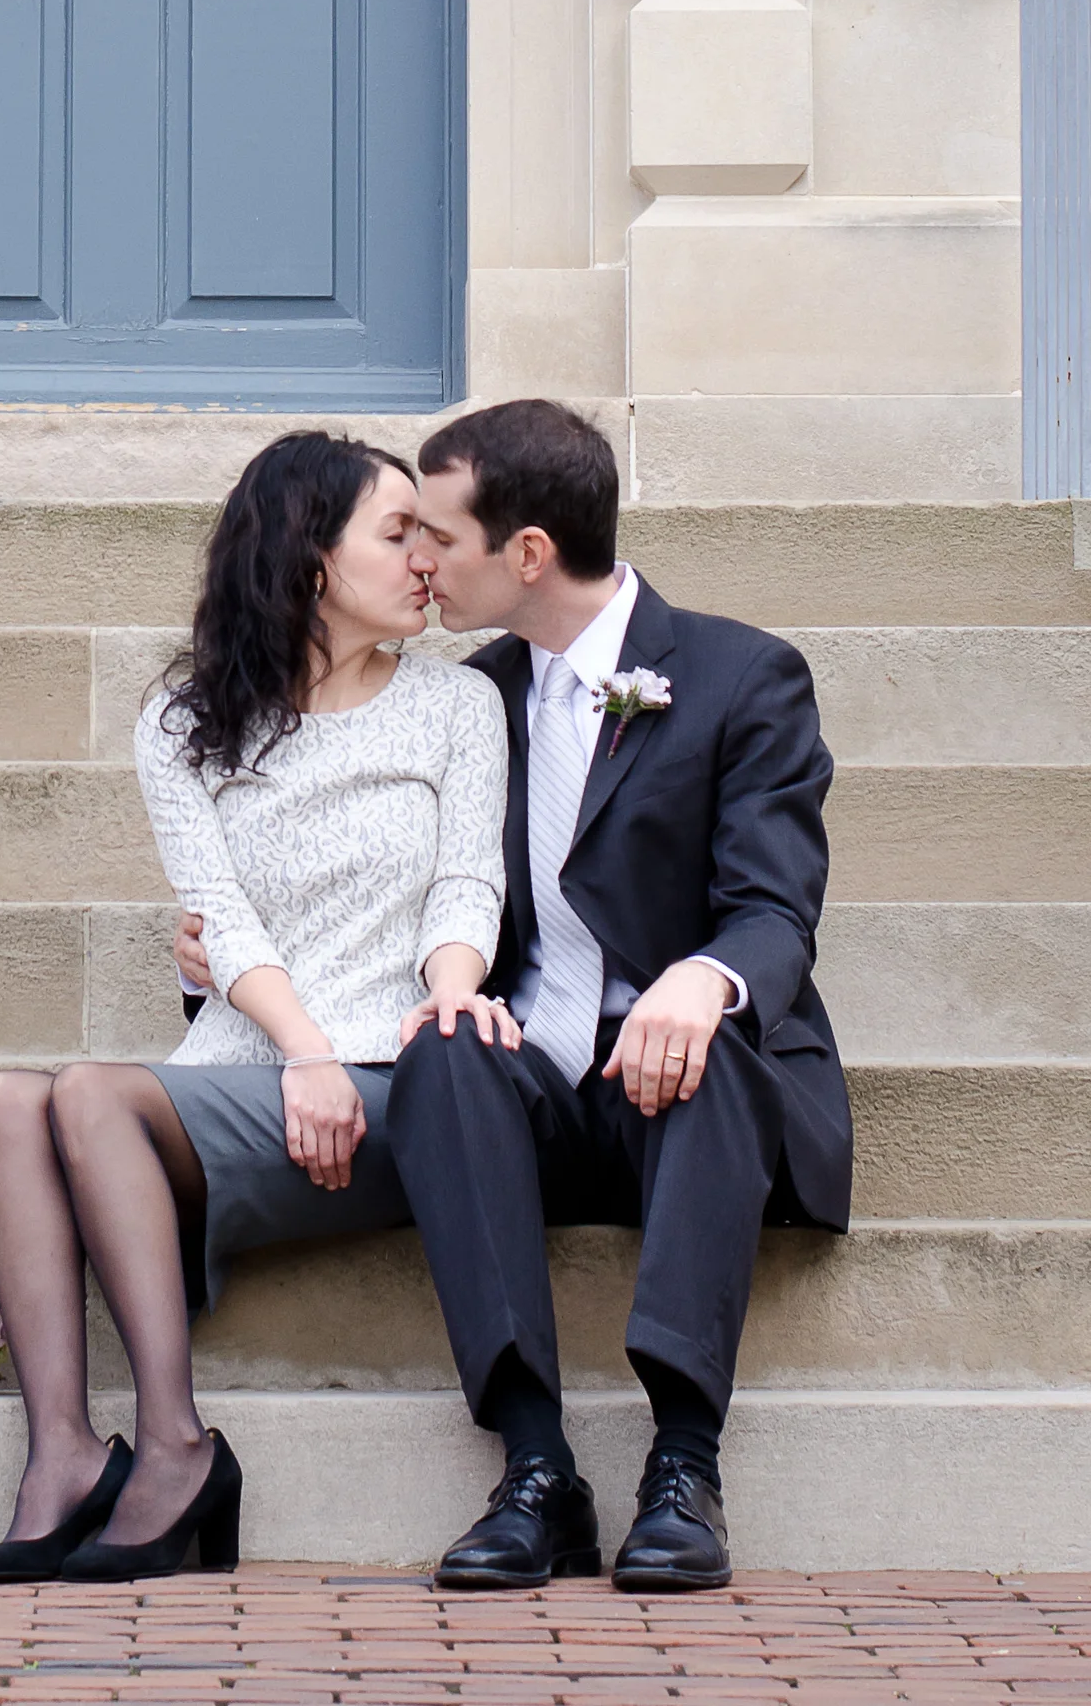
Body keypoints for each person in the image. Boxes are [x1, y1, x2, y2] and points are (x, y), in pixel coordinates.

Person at [177, 396, 852, 1597]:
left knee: (709, 1055)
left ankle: (683, 1467)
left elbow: (774, 909)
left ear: (525, 553)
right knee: (445, 1047)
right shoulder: (468, 695)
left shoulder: (744, 675)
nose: (418, 558)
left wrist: (701, 978)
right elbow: (403, 890)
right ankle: (538, 1473)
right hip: (527, 1089)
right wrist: (220, 963)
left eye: (436, 532)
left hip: (689, 1092)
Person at [0, 428, 510, 1586]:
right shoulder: (184, 718)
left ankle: (174, 1443)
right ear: (310, 555)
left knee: (87, 1096)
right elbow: (222, 918)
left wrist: (444, 999)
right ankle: (61, 1451)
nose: (426, 557)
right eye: (396, 530)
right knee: (12, 1101)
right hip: (259, 1063)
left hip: (389, 1074)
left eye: (428, 531)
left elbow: (470, 882)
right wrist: (299, 1049)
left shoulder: (458, 706)